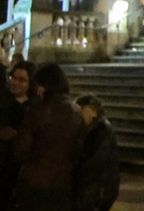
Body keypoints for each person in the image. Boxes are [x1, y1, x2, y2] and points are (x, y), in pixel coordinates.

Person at [13, 63, 84, 211]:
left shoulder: (37, 112)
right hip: (63, 183)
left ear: (45, 86)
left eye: (38, 85)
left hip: (35, 181)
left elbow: (21, 150)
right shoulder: (77, 112)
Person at [0, 61, 38, 211]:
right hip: (1, 161)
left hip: (27, 164)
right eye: (14, 77)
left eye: (22, 80)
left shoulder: (36, 104)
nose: (16, 83)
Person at [73, 95, 120, 211]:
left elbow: (95, 161)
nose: (77, 114)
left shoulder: (102, 130)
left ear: (94, 111)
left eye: (81, 109)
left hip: (99, 189)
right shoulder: (91, 128)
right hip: (96, 188)